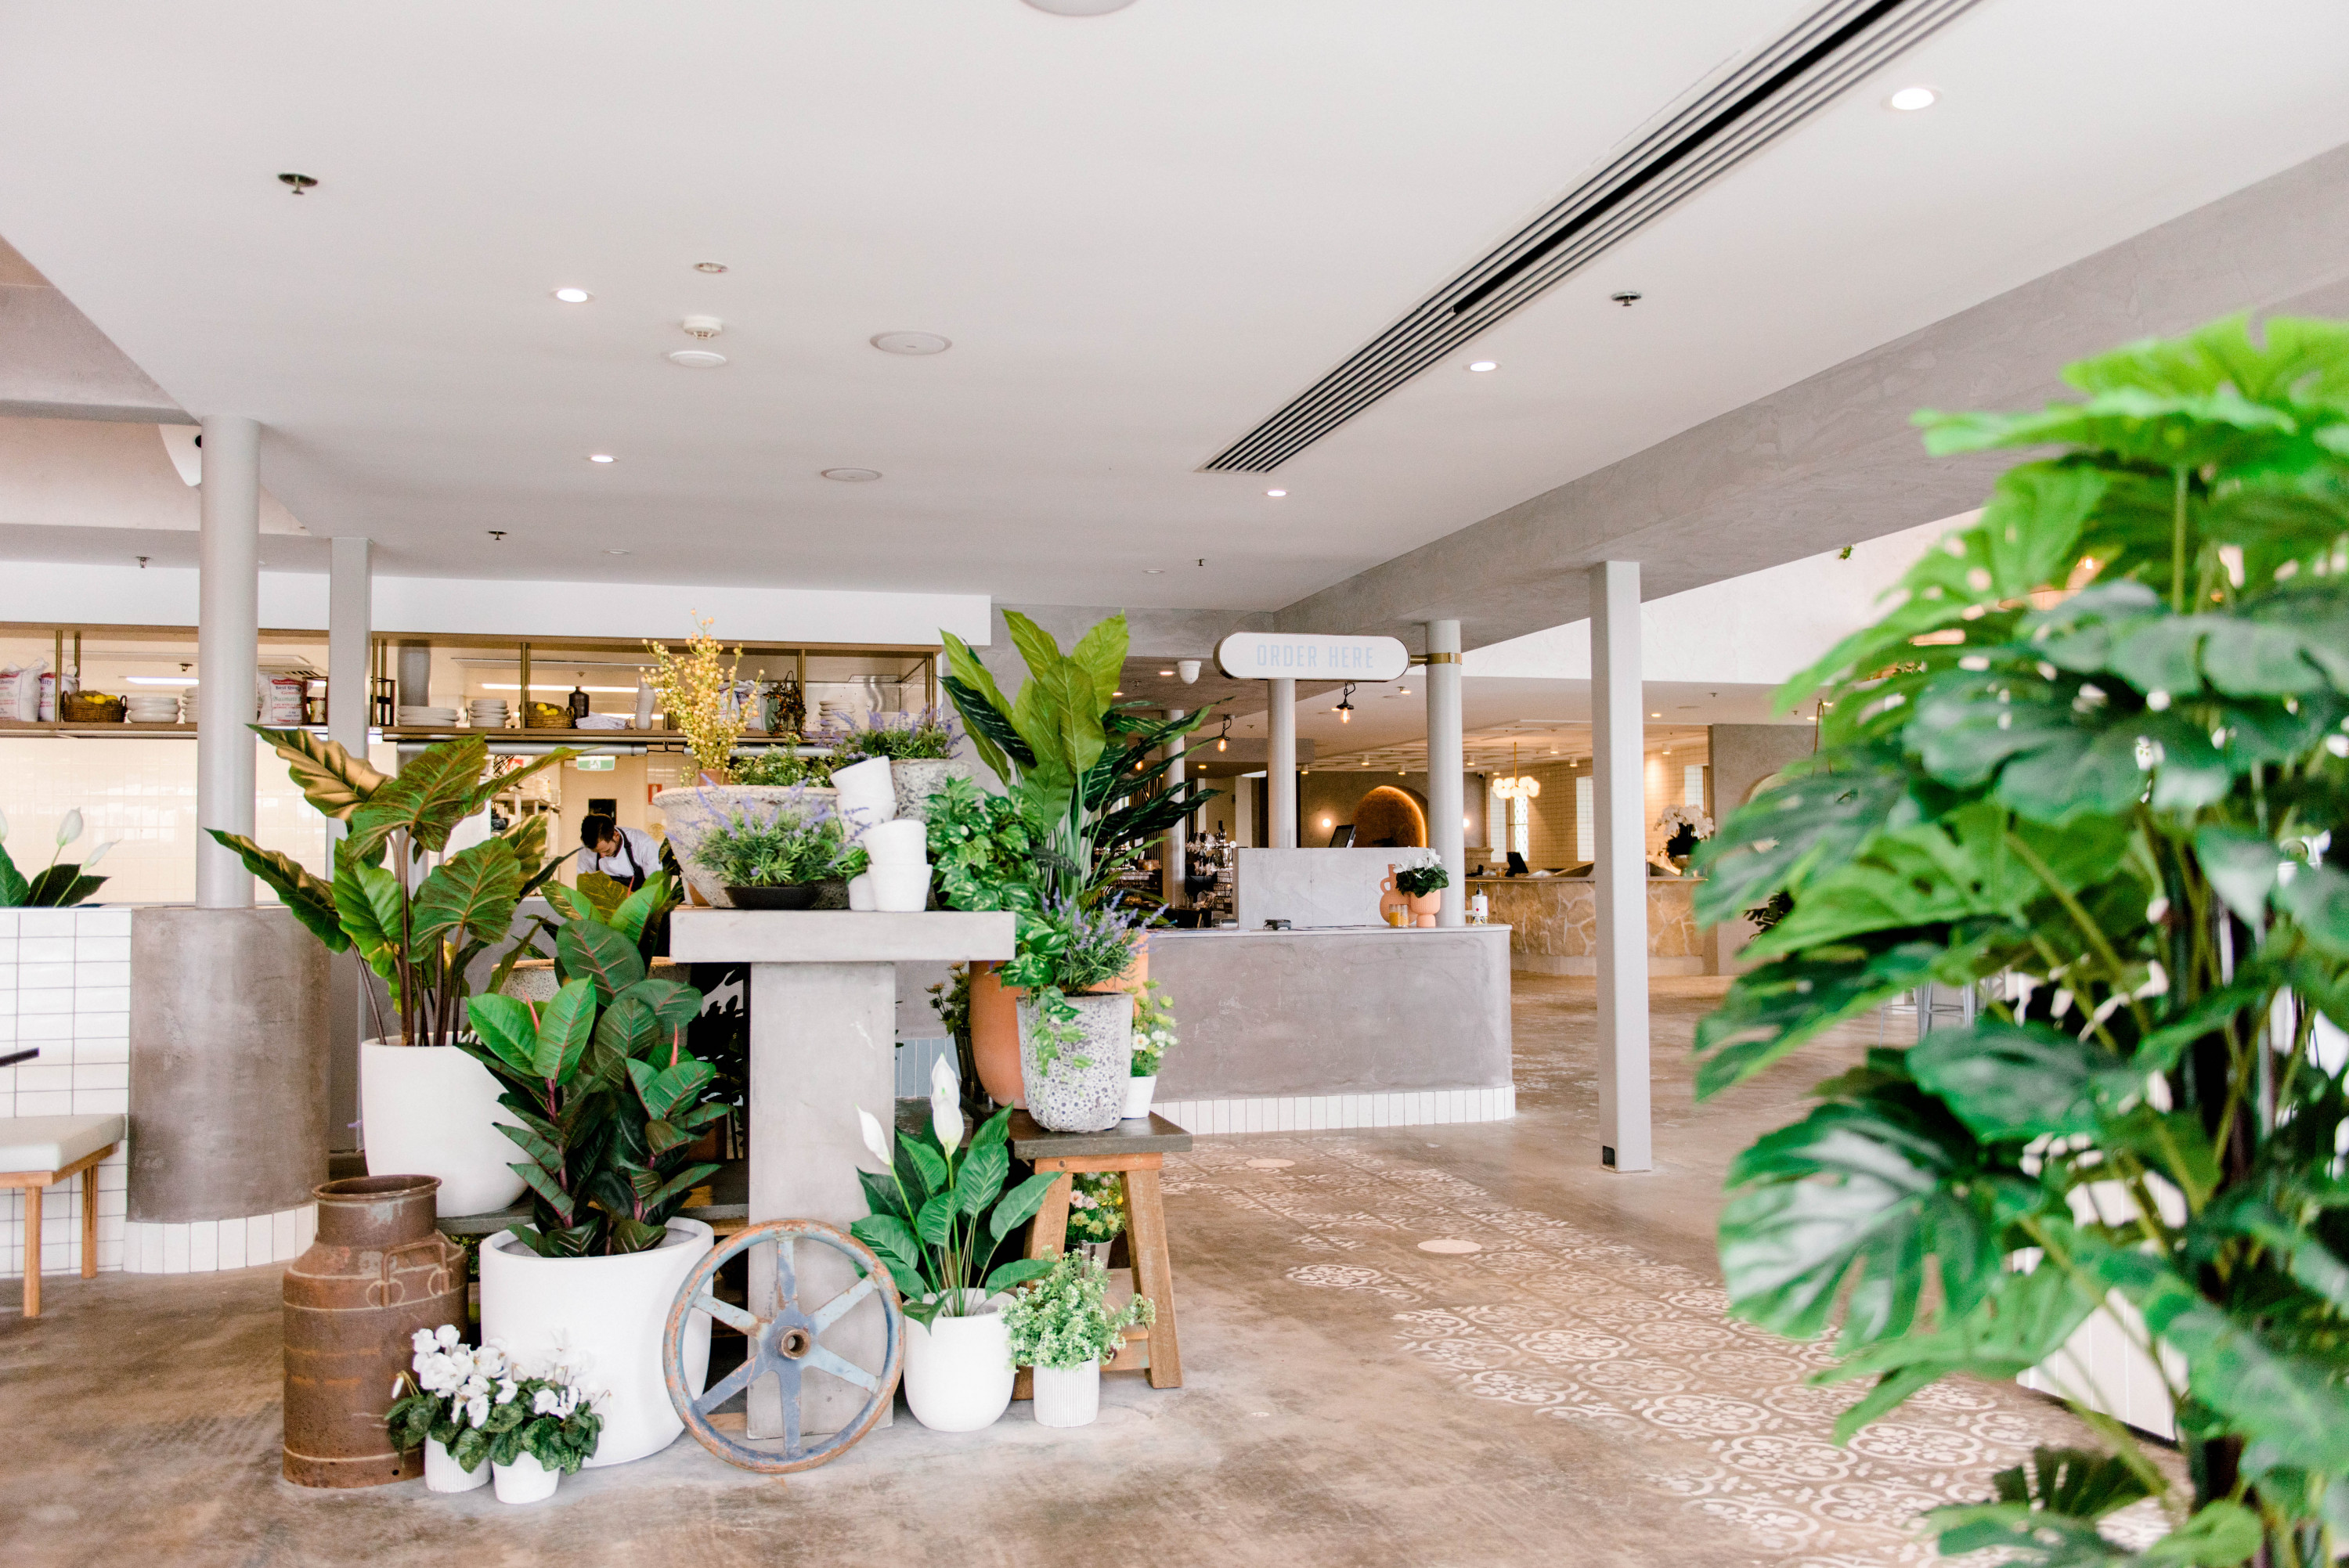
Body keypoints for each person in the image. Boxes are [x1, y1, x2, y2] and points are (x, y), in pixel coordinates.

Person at [578, 813, 662, 891]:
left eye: (607, 850)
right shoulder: (585, 849)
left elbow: (655, 885)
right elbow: (587, 887)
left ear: (616, 836)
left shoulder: (643, 843)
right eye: (596, 852)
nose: (602, 856)